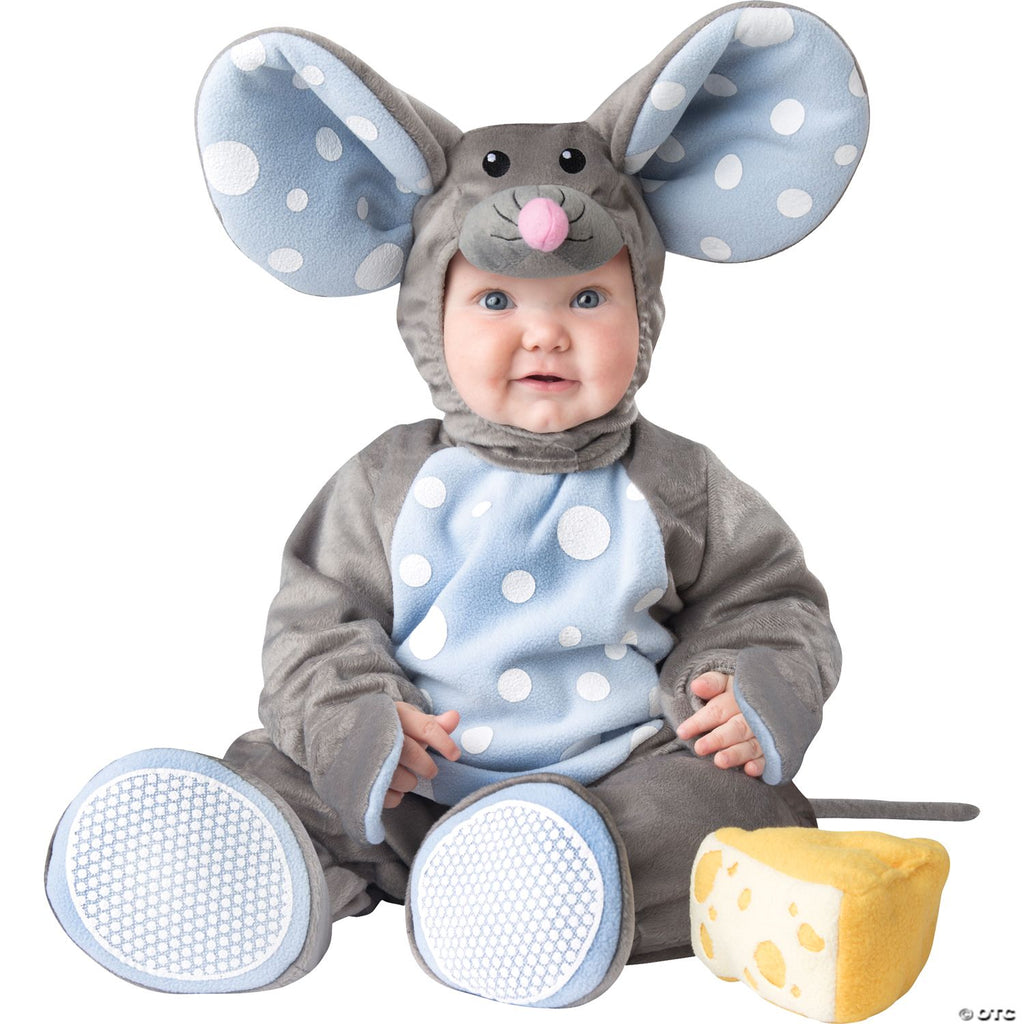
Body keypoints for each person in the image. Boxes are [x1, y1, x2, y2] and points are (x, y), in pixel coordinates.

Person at [46, 7, 889, 1013]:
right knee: (294, 771)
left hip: (614, 779)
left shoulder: (680, 484)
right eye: (496, 301)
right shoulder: (384, 483)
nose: (545, 335)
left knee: (718, 806)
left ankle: (546, 883)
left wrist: (745, 686)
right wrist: (359, 721)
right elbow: (315, 629)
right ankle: (257, 875)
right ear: (427, 316)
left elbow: (768, 600)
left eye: (587, 300)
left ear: (645, 309)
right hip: (407, 786)